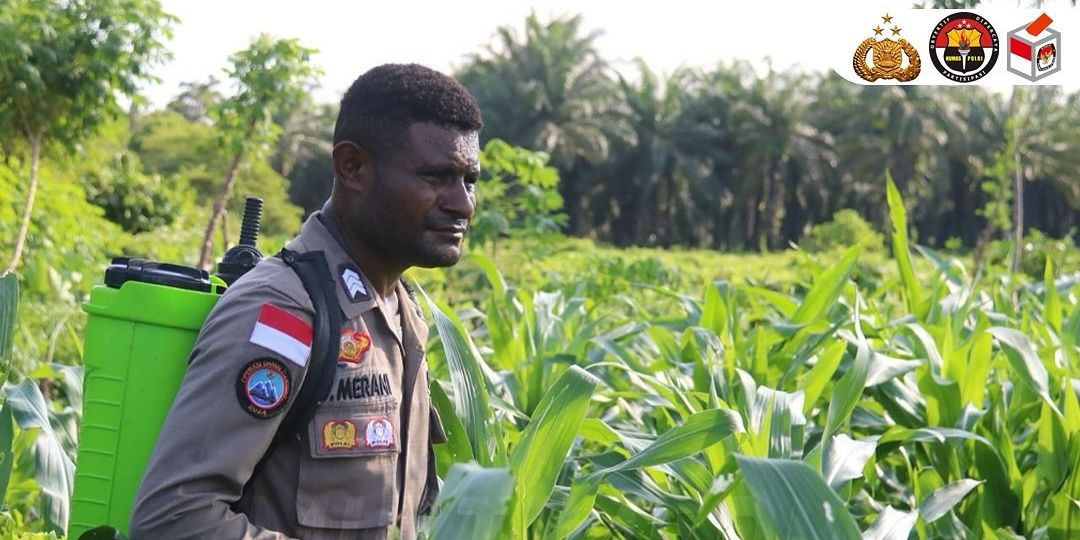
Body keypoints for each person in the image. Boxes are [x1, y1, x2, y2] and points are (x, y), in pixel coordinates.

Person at [130, 63, 483, 539]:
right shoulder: (282, 312)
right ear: (353, 167)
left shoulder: (403, 315)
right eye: (437, 176)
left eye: (469, 180)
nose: (462, 203)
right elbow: (172, 520)